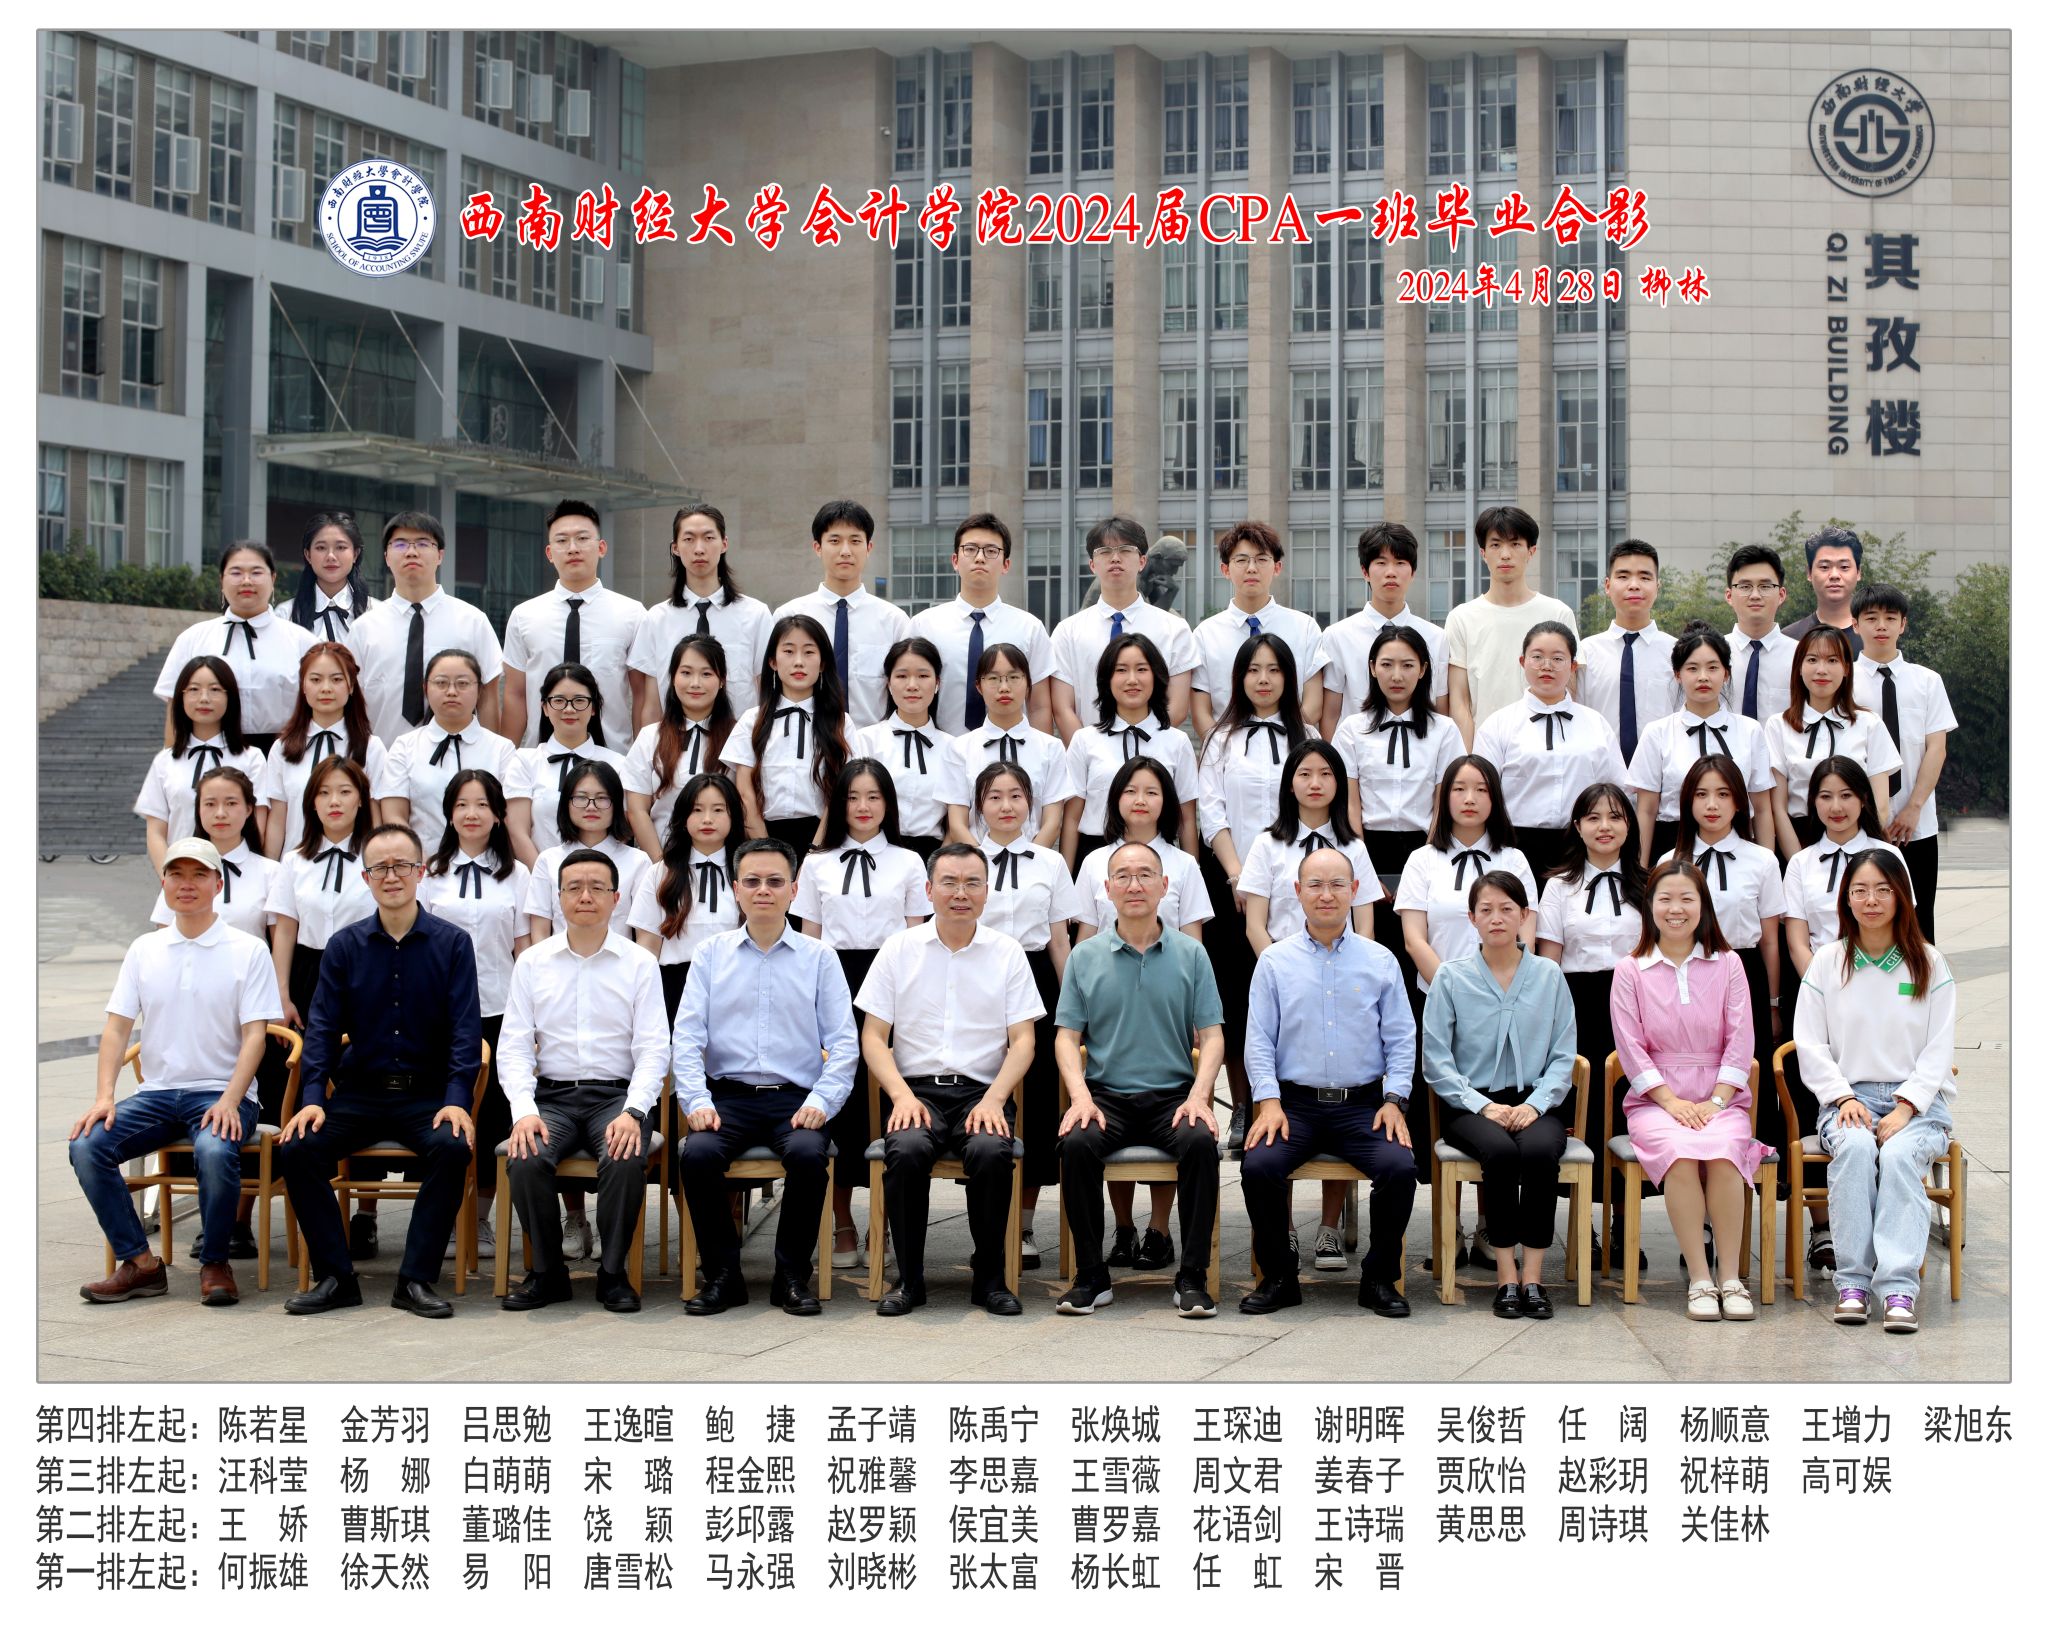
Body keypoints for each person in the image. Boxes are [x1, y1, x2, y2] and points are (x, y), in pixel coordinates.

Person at [276, 823, 481, 1318]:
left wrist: (457, 1098)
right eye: (381, 868)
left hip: (426, 1096)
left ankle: (415, 1280)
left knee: (453, 1147)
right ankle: (336, 1277)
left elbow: (464, 1031)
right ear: (366, 877)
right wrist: (312, 1100)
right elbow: (322, 1030)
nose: (392, 876)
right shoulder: (344, 946)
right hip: (360, 1094)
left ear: (421, 871)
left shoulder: (453, 944)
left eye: (402, 865)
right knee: (297, 1148)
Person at [70, 838, 280, 1307]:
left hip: (222, 1093)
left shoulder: (248, 950)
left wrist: (231, 1100)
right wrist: (104, 1096)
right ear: (163, 883)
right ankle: (140, 1263)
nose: (187, 884)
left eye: (199, 874)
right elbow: (116, 1029)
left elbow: (256, 1037)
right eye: (176, 874)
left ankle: (215, 1261)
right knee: (86, 1145)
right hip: (158, 1095)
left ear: (218, 885)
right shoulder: (144, 949)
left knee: (213, 1149)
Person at [672, 838, 859, 1316]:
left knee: (808, 1154)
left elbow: (843, 1043)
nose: (763, 890)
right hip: (727, 1099)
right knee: (697, 1154)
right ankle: (723, 1276)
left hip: (795, 1099)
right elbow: (686, 1038)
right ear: (736, 889)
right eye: (752, 881)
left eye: (775, 882)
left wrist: (822, 1101)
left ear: (793, 890)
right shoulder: (710, 954)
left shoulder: (820, 957)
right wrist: (696, 1101)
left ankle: (791, 1276)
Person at [859, 843, 1042, 1314]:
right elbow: (874, 1037)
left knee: (990, 1150)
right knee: (907, 1149)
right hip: (915, 1091)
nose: (961, 893)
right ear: (928, 890)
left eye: (972, 883)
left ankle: (991, 1279)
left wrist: (995, 1099)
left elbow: (1024, 1040)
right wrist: (900, 1096)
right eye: (949, 882)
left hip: (983, 1092)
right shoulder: (899, 949)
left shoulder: (1007, 952)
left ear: (986, 891)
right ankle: (909, 1280)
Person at [1240, 845, 1418, 1316]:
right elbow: (1258, 1040)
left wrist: (1395, 1100)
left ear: (1355, 890)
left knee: (1399, 1168)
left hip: (1364, 1106)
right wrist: (1268, 1101)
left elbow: (1402, 1037)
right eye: (1315, 885)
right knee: (1258, 1167)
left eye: (1337, 884)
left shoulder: (1380, 960)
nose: (1326, 894)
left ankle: (1378, 1278)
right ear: (1297, 891)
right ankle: (1280, 1277)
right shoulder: (1274, 961)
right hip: (1294, 1106)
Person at [1052, 840, 1226, 1317]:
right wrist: (1080, 1096)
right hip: (1106, 1097)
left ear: (1164, 886)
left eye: (1146, 875)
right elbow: (1066, 1037)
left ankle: (1192, 1276)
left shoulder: (1192, 954)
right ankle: (1091, 1275)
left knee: (1199, 1142)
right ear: (1106, 889)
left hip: (1173, 1097)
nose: (1134, 885)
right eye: (1123, 876)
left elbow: (1213, 1036)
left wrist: (1200, 1096)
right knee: (1075, 1144)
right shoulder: (1085, 956)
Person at [497, 847, 668, 1314]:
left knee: (624, 1154)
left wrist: (635, 1111)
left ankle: (612, 1274)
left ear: (616, 898)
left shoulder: (639, 963)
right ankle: (548, 1272)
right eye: (574, 887)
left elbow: (654, 1049)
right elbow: (513, 1046)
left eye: (596, 887)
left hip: (616, 1097)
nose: (585, 896)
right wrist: (523, 1112)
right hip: (552, 1097)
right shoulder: (532, 962)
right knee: (526, 1156)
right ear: (559, 898)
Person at [1796, 847, 1957, 1332]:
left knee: (1902, 1155)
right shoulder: (1828, 962)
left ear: (1901, 896)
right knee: (1856, 1150)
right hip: (1850, 1099)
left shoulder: (1928, 962)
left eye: (1883, 890)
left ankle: (1899, 1289)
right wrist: (1843, 1097)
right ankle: (1852, 1284)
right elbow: (1809, 1042)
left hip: (1919, 1104)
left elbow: (1939, 1046)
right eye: (1860, 890)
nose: (1871, 901)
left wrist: (1907, 1106)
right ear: (1846, 899)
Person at [1609, 858, 1771, 1320]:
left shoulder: (1729, 964)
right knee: (1679, 1153)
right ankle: (1700, 1278)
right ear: (1650, 906)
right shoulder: (1631, 969)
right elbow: (1630, 1046)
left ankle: (1730, 1278)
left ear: (1704, 906)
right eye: (1665, 899)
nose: (1675, 909)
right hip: (1656, 1101)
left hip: (1721, 1097)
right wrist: (1670, 1101)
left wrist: (1716, 1101)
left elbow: (1741, 1038)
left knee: (1723, 1150)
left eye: (1686, 898)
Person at [1394, 752, 1539, 1257]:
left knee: (1495, 1106)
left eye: (1480, 789)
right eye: (1459, 789)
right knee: (1446, 1110)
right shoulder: (1422, 860)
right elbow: (1414, 937)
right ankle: (1448, 1225)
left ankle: (1488, 1225)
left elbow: (1526, 935)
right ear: (1444, 798)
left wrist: (1493, 996)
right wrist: (1455, 993)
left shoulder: (1514, 859)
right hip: (1437, 999)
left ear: (1494, 798)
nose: (1470, 798)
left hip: (1504, 1008)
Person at [1421, 871, 1578, 1319]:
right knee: (1501, 1153)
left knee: (1541, 1152)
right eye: (1486, 910)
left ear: (1524, 915)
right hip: (1470, 1104)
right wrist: (1483, 1105)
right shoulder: (1450, 977)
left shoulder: (1549, 975)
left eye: (1507, 909)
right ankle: (1506, 1276)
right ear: (1471, 918)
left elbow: (1563, 1054)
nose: (1496, 918)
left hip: (1535, 1102)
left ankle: (1534, 1277)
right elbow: (1436, 1060)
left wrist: (1535, 1104)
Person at [794, 758, 928, 1270]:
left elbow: (917, 937)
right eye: (853, 797)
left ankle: (885, 1221)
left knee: (892, 1100)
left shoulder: (909, 862)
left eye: (874, 796)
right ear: (838, 804)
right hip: (833, 981)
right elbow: (809, 940)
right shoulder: (817, 864)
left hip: (894, 981)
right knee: (841, 1104)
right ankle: (843, 1223)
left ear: (888, 803)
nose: (864, 807)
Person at [1198, 633, 1312, 1136]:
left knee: (1294, 996)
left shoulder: (1307, 736)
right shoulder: (1220, 740)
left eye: (1274, 670)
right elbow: (1211, 810)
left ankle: (1292, 1102)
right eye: (1253, 670)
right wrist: (1237, 874)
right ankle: (1244, 1104)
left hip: (1297, 891)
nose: (1263, 680)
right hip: (1234, 885)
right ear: (1239, 678)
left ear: (1289, 678)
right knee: (1237, 998)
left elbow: (1317, 807)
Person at [972, 761, 1083, 1276]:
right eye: (994, 796)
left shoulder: (1051, 863)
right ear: (979, 806)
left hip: (1036, 978)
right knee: (982, 1090)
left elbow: (1059, 940)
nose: (1006, 806)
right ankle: (986, 1223)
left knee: (1036, 1099)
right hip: (978, 977)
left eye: (1016, 796)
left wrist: (1073, 1005)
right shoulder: (966, 860)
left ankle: (1024, 1224)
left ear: (1031, 804)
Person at [419, 770, 531, 1260]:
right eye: (462, 804)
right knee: (442, 1110)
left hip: (499, 1008)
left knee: (492, 1118)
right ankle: (442, 1217)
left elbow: (524, 948)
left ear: (498, 814)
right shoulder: (430, 873)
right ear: (449, 813)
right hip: (438, 1013)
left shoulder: (517, 875)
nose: (471, 813)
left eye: (482, 804)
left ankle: (481, 1219)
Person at [1534, 781, 1645, 1258]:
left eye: (1616, 817)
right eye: (1594, 817)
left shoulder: (1648, 883)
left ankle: (1624, 1224)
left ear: (1629, 826)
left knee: (1626, 1110)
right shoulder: (1559, 887)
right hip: (1576, 1005)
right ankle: (1584, 1226)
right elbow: (1549, 961)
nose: (1605, 826)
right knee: (1581, 1114)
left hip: (1636, 1006)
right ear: (1577, 826)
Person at [1665, 754, 1784, 1141]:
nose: (1712, 805)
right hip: (1686, 972)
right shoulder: (1670, 862)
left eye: (1722, 794)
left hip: (1744, 972)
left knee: (1750, 1067)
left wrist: (1773, 1003)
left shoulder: (1762, 861)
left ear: (1739, 802)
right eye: (1701, 795)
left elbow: (1769, 940)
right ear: (1688, 802)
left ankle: (1759, 1159)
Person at [1471, 620, 1628, 881]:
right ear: (1523, 662)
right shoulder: (1499, 725)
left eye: (1557, 658)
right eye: (1537, 657)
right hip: (1514, 847)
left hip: (1583, 846)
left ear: (1573, 666)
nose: (1547, 666)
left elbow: (1619, 790)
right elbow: (1482, 792)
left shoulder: (1595, 724)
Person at [343, 512, 503, 745]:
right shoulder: (364, 629)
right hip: (380, 758)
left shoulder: (472, 622)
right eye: (400, 544)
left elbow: (488, 698)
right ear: (386, 557)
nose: (411, 552)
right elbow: (348, 701)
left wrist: (489, 759)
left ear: (440, 555)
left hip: (457, 759)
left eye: (422, 543)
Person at [1628, 619, 1777, 865]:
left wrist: (1768, 866)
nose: (1703, 677)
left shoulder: (1750, 730)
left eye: (1712, 667)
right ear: (1677, 674)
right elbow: (1646, 810)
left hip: (1738, 851)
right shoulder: (1657, 733)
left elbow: (1761, 809)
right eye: (1692, 668)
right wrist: (1641, 873)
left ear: (1726, 673)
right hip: (1674, 850)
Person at [1852, 583, 1955, 939]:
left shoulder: (1927, 681)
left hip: (1917, 825)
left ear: (1903, 624)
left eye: (1890, 618)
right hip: (1860, 825)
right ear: (1855, 625)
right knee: (1863, 920)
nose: (1881, 625)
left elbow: (1936, 749)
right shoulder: (1844, 682)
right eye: (1871, 618)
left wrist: (1913, 808)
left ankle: (1920, 979)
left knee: (1919, 922)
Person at [500, 499, 645, 749]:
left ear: (601, 548)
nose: (572, 548)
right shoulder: (524, 616)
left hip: (611, 757)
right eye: (562, 540)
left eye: (582, 538)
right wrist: (505, 759)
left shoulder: (632, 614)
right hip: (541, 757)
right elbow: (515, 694)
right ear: (549, 553)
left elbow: (642, 695)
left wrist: (643, 760)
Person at [153, 541, 317, 753]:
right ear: (222, 580)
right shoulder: (193, 638)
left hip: (283, 755)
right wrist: (171, 762)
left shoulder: (302, 642)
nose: (246, 581)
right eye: (236, 573)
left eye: (256, 572)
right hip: (210, 754)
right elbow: (174, 710)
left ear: (273, 578)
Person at [1049, 516, 1199, 741]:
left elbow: (1176, 708)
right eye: (1105, 551)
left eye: (1126, 550)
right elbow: (1063, 708)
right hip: (1090, 755)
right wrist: (1091, 751)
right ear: (1092, 564)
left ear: (1142, 561)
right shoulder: (1068, 632)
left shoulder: (1175, 629)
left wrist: (1143, 748)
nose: (1115, 558)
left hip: (1152, 753)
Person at [908, 513, 1056, 736]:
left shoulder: (1029, 628)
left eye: (991, 551)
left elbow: (1039, 706)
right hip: (940, 749)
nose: (979, 558)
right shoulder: (924, 625)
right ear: (955, 561)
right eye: (970, 549)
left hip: (1009, 750)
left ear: (1006, 564)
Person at [628, 504, 775, 727]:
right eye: (689, 539)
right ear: (675, 548)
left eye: (708, 538)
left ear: (724, 544)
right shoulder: (656, 619)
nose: (699, 549)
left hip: (738, 741)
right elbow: (652, 705)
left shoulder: (756, 615)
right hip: (675, 741)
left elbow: (767, 695)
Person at [1444, 506, 1578, 746]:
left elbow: (1569, 688)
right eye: (1496, 545)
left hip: (1546, 747)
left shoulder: (1558, 613)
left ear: (1531, 551)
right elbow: (1460, 701)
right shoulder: (1461, 618)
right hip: (1485, 749)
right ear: (1483, 553)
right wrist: (1469, 758)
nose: (1505, 554)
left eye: (1515, 544)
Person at [773, 499, 912, 731]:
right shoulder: (789, 615)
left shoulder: (894, 621)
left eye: (855, 541)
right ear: (817, 547)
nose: (845, 551)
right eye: (835, 541)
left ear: (869, 548)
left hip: (871, 742)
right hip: (805, 738)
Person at [1063, 633, 1200, 868]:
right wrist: (1065, 879)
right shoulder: (1084, 740)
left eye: (1142, 669)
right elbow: (1072, 818)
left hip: (1160, 859)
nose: (1132, 679)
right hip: (1095, 856)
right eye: (1121, 670)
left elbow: (1186, 819)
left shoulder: (1177, 742)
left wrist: (1193, 873)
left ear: (1156, 676)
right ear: (1107, 679)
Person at [1765, 625, 1901, 855]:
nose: (1821, 670)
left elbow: (1880, 805)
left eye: (1832, 660)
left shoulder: (1869, 723)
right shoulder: (1778, 726)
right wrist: (1799, 863)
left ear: (1846, 668)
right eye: (1812, 660)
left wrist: (1859, 855)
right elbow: (1777, 808)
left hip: (1859, 845)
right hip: (1798, 842)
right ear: (1799, 668)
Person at [722, 612, 849, 855]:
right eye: (789, 651)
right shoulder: (752, 720)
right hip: (762, 837)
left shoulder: (841, 722)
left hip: (824, 840)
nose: (798, 662)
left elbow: (843, 790)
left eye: (809, 652)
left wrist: (816, 850)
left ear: (823, 663)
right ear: (772, 661)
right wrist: (767, 850)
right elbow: (744, 792)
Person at [1189, 521, 1327, 738]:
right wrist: (1223, 749)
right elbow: (1200, 712)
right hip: (1227, 750)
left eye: (1262, 559)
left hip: (1290, 747)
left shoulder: (1305, 628)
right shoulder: (1205, 635)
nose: (1251, 568)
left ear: (1277, 567)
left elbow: (1313, 703)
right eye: (1241, 560)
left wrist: (1286, 741)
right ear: (1225, 569)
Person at [267, 757, 376, 1032]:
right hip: (309, 974)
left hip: (367, 971)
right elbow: (285, 931)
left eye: (345, 792)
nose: (334, 801)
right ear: (312, 803)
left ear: (361, 800)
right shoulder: (293, 861)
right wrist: (281, 995)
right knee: (310, 1054)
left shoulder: (378, 858)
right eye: (324, 793)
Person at [376, 648, 517, 860]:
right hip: (423, 866)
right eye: (441, 683)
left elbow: (510, 817)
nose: (451, 691)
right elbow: (394, 815)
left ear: (479, 690)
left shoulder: (502, 749)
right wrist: (424, 865)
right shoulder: (405, 746)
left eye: (462, 684)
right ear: (425, 688)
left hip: (489, 865)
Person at [630, 770, 743, 1023]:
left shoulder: (747, 871)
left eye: (718, 810)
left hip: (737, 984)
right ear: (683, 817)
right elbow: (647, 946)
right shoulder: (661, 872)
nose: (707, 819)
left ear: (733, 816)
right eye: (697, 810)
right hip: (676, 985)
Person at [1318, 523, 1450, 738]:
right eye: (1381, 563)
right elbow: (1330, 714)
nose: (1391, 572)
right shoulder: (1337, 636)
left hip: (1419, 749)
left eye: (1400, 563)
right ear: (1365, 571)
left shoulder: (1436, 637)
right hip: (1357, 751)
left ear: (1413, 572)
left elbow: (1441, 710)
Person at [135, 657, 267, 871]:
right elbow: (156, 831)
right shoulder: (165, 762)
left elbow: (259, 824)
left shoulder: (252, 758)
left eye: (215, 690)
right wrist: (169, 876)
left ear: (230, 697)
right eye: (194, 690)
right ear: (181, 697)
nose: (204, 698)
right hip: (182, 878)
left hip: (239, 875)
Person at [260, 642, 388, 858]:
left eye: (336, 679)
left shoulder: (371, 747)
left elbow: (376, 816)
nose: (326, 688)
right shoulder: (283, 748)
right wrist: (272, 869)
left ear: (351, 686)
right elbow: (277, 820)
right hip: (298, 863)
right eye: (316, 679)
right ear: (303, 686)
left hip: (355, 864)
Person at [941, 644, 1074, 847]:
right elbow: (957, 825)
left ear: (1028, 684)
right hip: (976, 861)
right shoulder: (959, 748)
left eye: (1013, 677)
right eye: (993, 678)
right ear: (978, 686)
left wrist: (1028, 860)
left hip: (1034, 859)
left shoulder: (1051, 747)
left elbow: (1052, 822)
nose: (1004, 687)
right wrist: (982, 861)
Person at [623, 635, 738, 862]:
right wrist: (662, 866)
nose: (695, 683)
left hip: (725, 864)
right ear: (673, 678)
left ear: (722, 680)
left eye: (706, 674)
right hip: (664, 860)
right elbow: (636, 810)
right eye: (686, 673)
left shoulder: (740, 736)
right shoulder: (650, 737)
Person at [1075, 757, 1214, 942]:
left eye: (1151, 793)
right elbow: (1085, 941)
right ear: (1116, 797)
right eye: (1130, 791)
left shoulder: (1185, 864)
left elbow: (1193, 944)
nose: (1140, 801)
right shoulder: (1093, 862)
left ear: (1166, 800)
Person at [505, 661, 629, 863]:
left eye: (579, 700)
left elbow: (621, 832)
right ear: (545, 707)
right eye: (559, 701)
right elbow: (517, 832)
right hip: (540, 875)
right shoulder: (524, 761)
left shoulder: (618, 765)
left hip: (603, 875)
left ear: (594, 708)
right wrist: (545, 876)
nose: (569, 709)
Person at [1575, 539, 1677, 767]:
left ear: (1658, 586)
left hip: (1662, 773)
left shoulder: (1677, 653)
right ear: (1607, 585)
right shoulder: (1585, 653)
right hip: (1600, 774)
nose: (1634, 585)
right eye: (1623, 576)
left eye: (1645, 577)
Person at [853, 637, 956, 860]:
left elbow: (957, 819)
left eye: (923, 676)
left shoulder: (953, 748)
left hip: (934, 857)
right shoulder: (865, 741)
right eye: (901, 676)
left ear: (937, 683)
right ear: (888, 684)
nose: (912, 685)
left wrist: (938, 864)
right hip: (873, 853)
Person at [526, 759, 652, 941]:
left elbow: (645, 935)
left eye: (602, 798)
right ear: (566, 803)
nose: (591, 806)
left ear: (616, 804)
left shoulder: (638, 861)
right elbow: (540, 932)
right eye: (581, 797)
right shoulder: (548, 860)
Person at [150, 766, 276, 943]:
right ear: (198, 810)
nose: (220, 814)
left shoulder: (271, 872)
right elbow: (163, 938)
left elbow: (281, 942)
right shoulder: (179, 868)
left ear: (249, 809)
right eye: (210, 804)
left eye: (231, 803)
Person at [1722, 544, 1796, 723]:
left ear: (1781, 595)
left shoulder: (1801, 656)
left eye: (1765, 586)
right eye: (1745, 586)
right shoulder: (1713, 656)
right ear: (1729, 596)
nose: (1755, 595)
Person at [287, 511, 377, 643]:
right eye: (321, 548)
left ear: (355, 554)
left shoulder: (377, 613)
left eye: (340, 547)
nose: (331, 556)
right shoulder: (286, 614)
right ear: (308, 555)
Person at [1782, 524, 1865, 654]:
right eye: (1825, 567)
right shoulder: (1789, 639)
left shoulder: (1877, 637)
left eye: (1844, 567)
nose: (1834, 575)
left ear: (1858, 572)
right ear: (1809, 573)